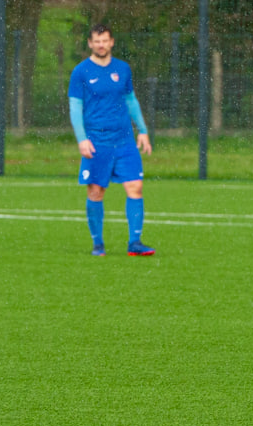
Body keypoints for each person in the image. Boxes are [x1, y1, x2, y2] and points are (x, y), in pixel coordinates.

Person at [68, 24, 154, 257]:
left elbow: (131, 100)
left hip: (124, 139)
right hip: (97, 141)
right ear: (90, 43)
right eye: (97, 41)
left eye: (105, 40)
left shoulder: (123, 69)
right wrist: (82, 139)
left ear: (112, 41)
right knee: (96, 192)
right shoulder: (81, 72)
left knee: (135, 187)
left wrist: (143, 130)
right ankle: (98, 244)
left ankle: (135, 243)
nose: (101, 45)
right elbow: (75, 108)